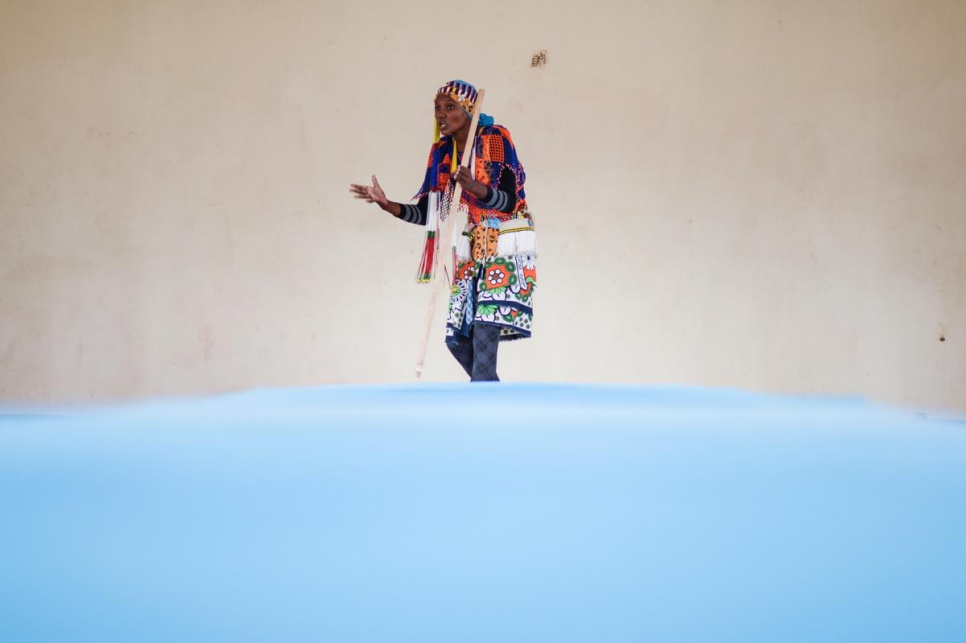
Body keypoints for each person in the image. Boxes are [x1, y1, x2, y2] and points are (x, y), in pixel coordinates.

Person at [350, 80, 536, 382]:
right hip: (474, 243)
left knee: (484, 330)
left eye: (450, 107)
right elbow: (429, 213)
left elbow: (509, 200)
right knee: (457, 338)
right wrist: (387, 205)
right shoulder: (442, 154)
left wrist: (475, 187)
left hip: (506, 243)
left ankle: (487, 407)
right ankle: (493, 397)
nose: (442, 114)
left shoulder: (495, 137)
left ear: (469, 110)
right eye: (438, 108)